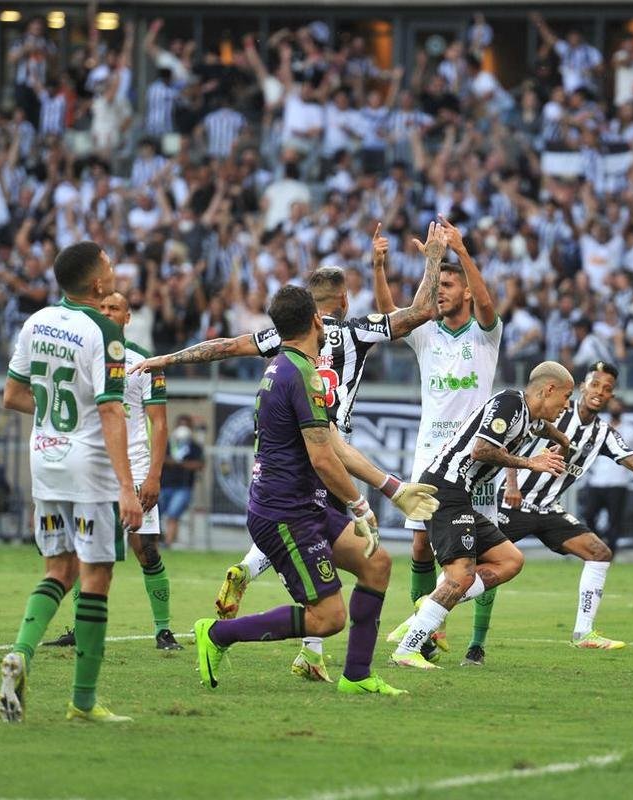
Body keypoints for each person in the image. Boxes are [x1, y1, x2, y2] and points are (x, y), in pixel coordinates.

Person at [135, 222, 443, 681]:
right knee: (326, 599)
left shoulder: (278, 340)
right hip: (312, 474)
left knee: (370, 563)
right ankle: (252, 634)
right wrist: (433, 257)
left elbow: (223, 346)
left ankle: (331, 661)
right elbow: (421, 311)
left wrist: (169, 358)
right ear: (336, 305)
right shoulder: (353, 334)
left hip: (316, 463)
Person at [192, 286, 438, 696]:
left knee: (375, 564)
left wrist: (393, 489)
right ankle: (218, 634)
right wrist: (360, 505)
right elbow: (324, 458)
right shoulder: (300, 373)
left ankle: (357, 676)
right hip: (285, 512)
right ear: (316, 321)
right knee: (327, 618)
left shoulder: (288, 366)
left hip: (304, 505)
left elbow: (335, 444)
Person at [0, 241, 143, 723]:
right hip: (89, 470)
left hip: (46, 463)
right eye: (108, 264)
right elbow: (109, 410)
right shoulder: (104, 330)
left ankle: (20, 651)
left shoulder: (35, 322)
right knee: (95, 576)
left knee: (58, 570)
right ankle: (83, 701)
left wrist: (57, 420)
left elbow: (13, 395)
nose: (113, 267)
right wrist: (127, 486)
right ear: (98, 284)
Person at [376, 215, 505, 667]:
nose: (442, 291)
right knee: (418, 546)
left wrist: (462, 252)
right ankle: (429, 632)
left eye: (449, 285)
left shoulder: (486, 335)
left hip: (478, 458)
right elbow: (396, 317)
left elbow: (488, 304)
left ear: (466, 290)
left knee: (485, 548)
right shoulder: (427, 334)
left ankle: (477, 642)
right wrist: (379, 269)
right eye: (440, 285)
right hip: (431, 455)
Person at [387, 362, 575, 668]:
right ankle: (407, 649)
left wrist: (564, 441)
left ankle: (422, 616)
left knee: (510, 560)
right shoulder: (510, 403)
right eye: (566, 396)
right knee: (460, 575)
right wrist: (531, 462)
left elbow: (543, 428)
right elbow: (481, 450)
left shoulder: (530, 417)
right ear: (548, 389)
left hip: (459, 496)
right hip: (444, 489)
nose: (567, 405)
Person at [501, 361, 633, 648]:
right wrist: (512, 484)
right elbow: (510, 442)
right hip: (514, 502)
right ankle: (429, 618)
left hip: (547, 508)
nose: (599, 392)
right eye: (595, 385)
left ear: (611, 396)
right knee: (475, 560)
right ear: (583, 386)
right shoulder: (554, 411)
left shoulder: (603, 434)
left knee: (599, 552)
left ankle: (584, 633)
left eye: (607, 389)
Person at [46, 292, 183, 651]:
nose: (106, 312)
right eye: (102, 307)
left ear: (127, 316)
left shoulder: (145, 362)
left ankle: (164, 630)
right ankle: (80, 628)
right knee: (82, 550)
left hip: (135, 472)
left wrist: (154, 476)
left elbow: (160, 424)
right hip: (91, 468)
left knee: (146, 551)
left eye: (114, 308)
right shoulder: (81, 356)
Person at [579, 396, 633, 555]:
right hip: (597, 480)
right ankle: (597, 542)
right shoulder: (600, 426)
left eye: (617, 406)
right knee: (589, 514)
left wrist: (632, 464)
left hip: (619, 482)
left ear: (623, 409)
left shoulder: (631, 429)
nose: (614, 408)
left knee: (614, 519)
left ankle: (611, 551)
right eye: (612, 405)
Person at [159, 416, 204, 548]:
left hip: (183, 487)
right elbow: (160, 459)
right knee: (156, 514)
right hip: (164, 485)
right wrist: (177, 463)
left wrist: (180, 464)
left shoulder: (195, 447)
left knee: (173, 513)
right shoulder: (167, 443)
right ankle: (154, 543)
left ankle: (167, 543)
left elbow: (199, 464)